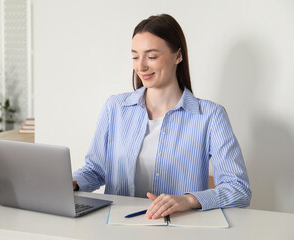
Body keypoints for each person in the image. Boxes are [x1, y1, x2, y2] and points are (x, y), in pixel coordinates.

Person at [73, 14, 251, 220]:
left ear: (178, 56)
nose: (141, 66)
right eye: (135, 56)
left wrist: (187, 199)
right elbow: (95, 171)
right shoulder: (115, 108)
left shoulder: (210, 116)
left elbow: (239, 189)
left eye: (151, 56)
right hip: (118, 225)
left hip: (178, 228)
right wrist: (73, 184)